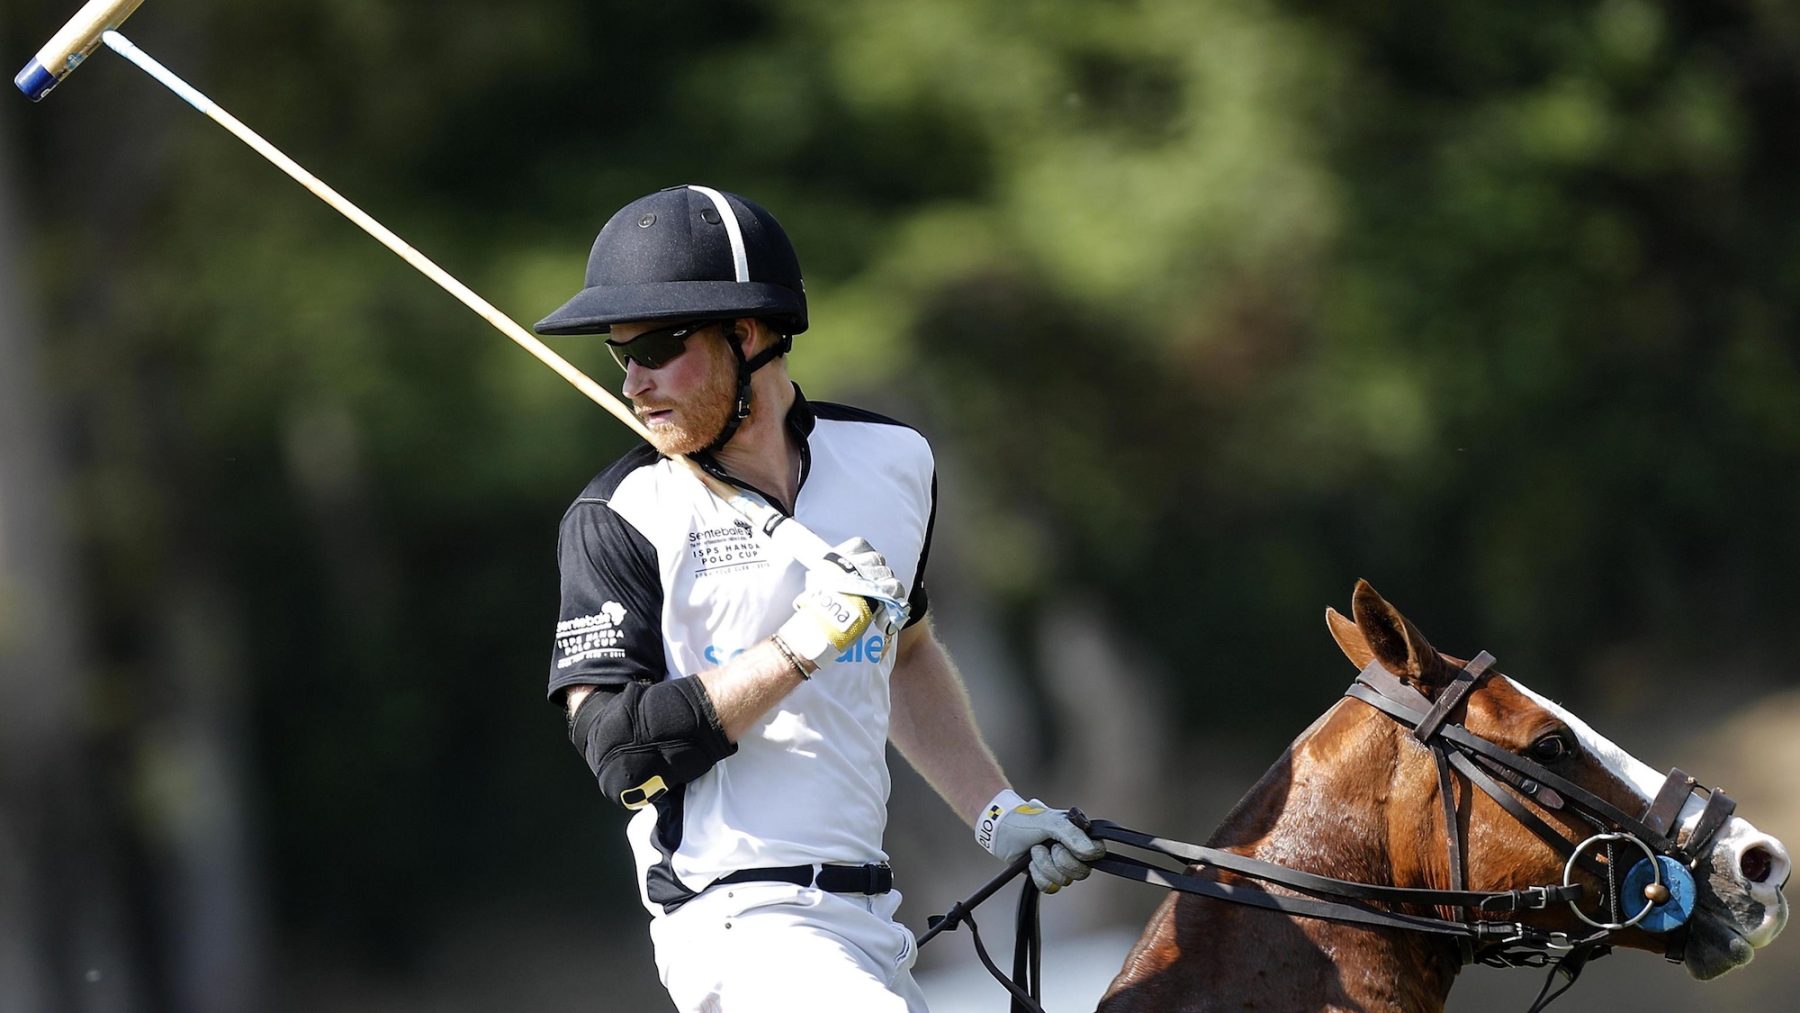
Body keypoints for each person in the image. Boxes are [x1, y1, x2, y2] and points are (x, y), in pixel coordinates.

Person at [535, 184, 1102, 1012]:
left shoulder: (893, 463)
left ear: (749, 333)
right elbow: (620, 754)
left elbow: (903, 655)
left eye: (658, 345)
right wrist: (800, 645)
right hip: (733, 920)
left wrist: (996, 811)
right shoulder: (621, 515)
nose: (635, 383)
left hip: (874, 916)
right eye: (622, 355)